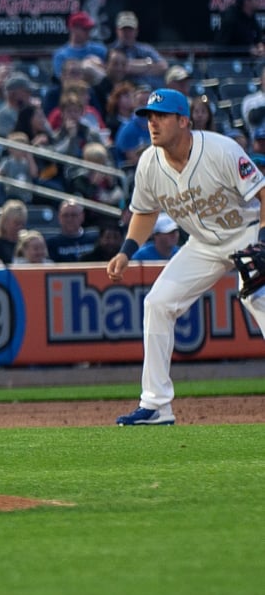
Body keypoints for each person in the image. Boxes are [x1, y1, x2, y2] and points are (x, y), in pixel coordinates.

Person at [108, 89, 265, 425]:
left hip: (247, 233)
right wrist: (126, 251)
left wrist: (262, 241)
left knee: (259, 298)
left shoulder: (220, 150)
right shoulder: (149, 163)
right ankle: (156, 405)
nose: (153, 123)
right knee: (158, 303)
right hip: (203, 244)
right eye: (149, 117)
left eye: (161, 116)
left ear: (183, 121)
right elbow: (144, 212)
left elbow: (263, 195)